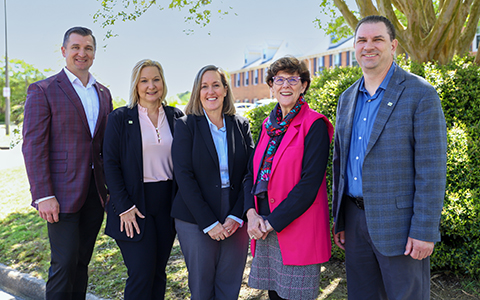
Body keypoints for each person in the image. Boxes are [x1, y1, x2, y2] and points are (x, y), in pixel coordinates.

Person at [332, 15, 447, 300]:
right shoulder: (347, 98)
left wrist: (424, 230)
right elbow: (340, 164)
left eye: (377, 39)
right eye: (362, 40)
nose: (368, 46)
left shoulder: (420, 94)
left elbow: (431, 169)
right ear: (355, 48)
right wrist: (341, 220)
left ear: (393, 45)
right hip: (355, 221)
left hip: (401, 227)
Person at [22, 27, 113, 300]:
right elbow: (33, 146)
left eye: (87, 48)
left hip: (95, 194)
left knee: (82, 263)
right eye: (75, 47)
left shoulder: (104, 93)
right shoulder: (44, 90)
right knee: (63, 264)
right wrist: (43, 195)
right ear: (64, 51)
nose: (81, 53)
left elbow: (104, 145)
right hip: (59, 195)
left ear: (94, 54)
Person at [244, 56, 334, 300]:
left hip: (295, 229)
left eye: (293, 79)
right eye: (279, 80)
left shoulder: (314, 124)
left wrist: (271, 223)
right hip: (263, 224)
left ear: (303, 85)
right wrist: (251, 215)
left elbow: (309, 185)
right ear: (271, 86)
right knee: (274, 295)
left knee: (295, 297)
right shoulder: (267, 125)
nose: (286, 85)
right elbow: (252, 174)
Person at [103, 59, 184, 299]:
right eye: (144, 80)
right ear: (135, 85)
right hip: (133, 204)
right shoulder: (120, 118)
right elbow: (110, 164)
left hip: (167, 204)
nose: (151, 86)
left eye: (156, 79)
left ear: (163, 82)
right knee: (141, 273)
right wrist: (124, 207)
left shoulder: (176, 116)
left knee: (158, 273)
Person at [171, 65, 254, 299]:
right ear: (197, 92)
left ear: (225, 90)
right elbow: (184, 176)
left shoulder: (241, 125)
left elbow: (250, 173)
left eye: (216, 85)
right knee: (202, 285)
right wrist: (208, 222)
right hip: (195, 217)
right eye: (204, 86)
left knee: (230, 283)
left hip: (235, 216)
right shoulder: (186, 126)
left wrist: (238, 215)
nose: (211, 91)